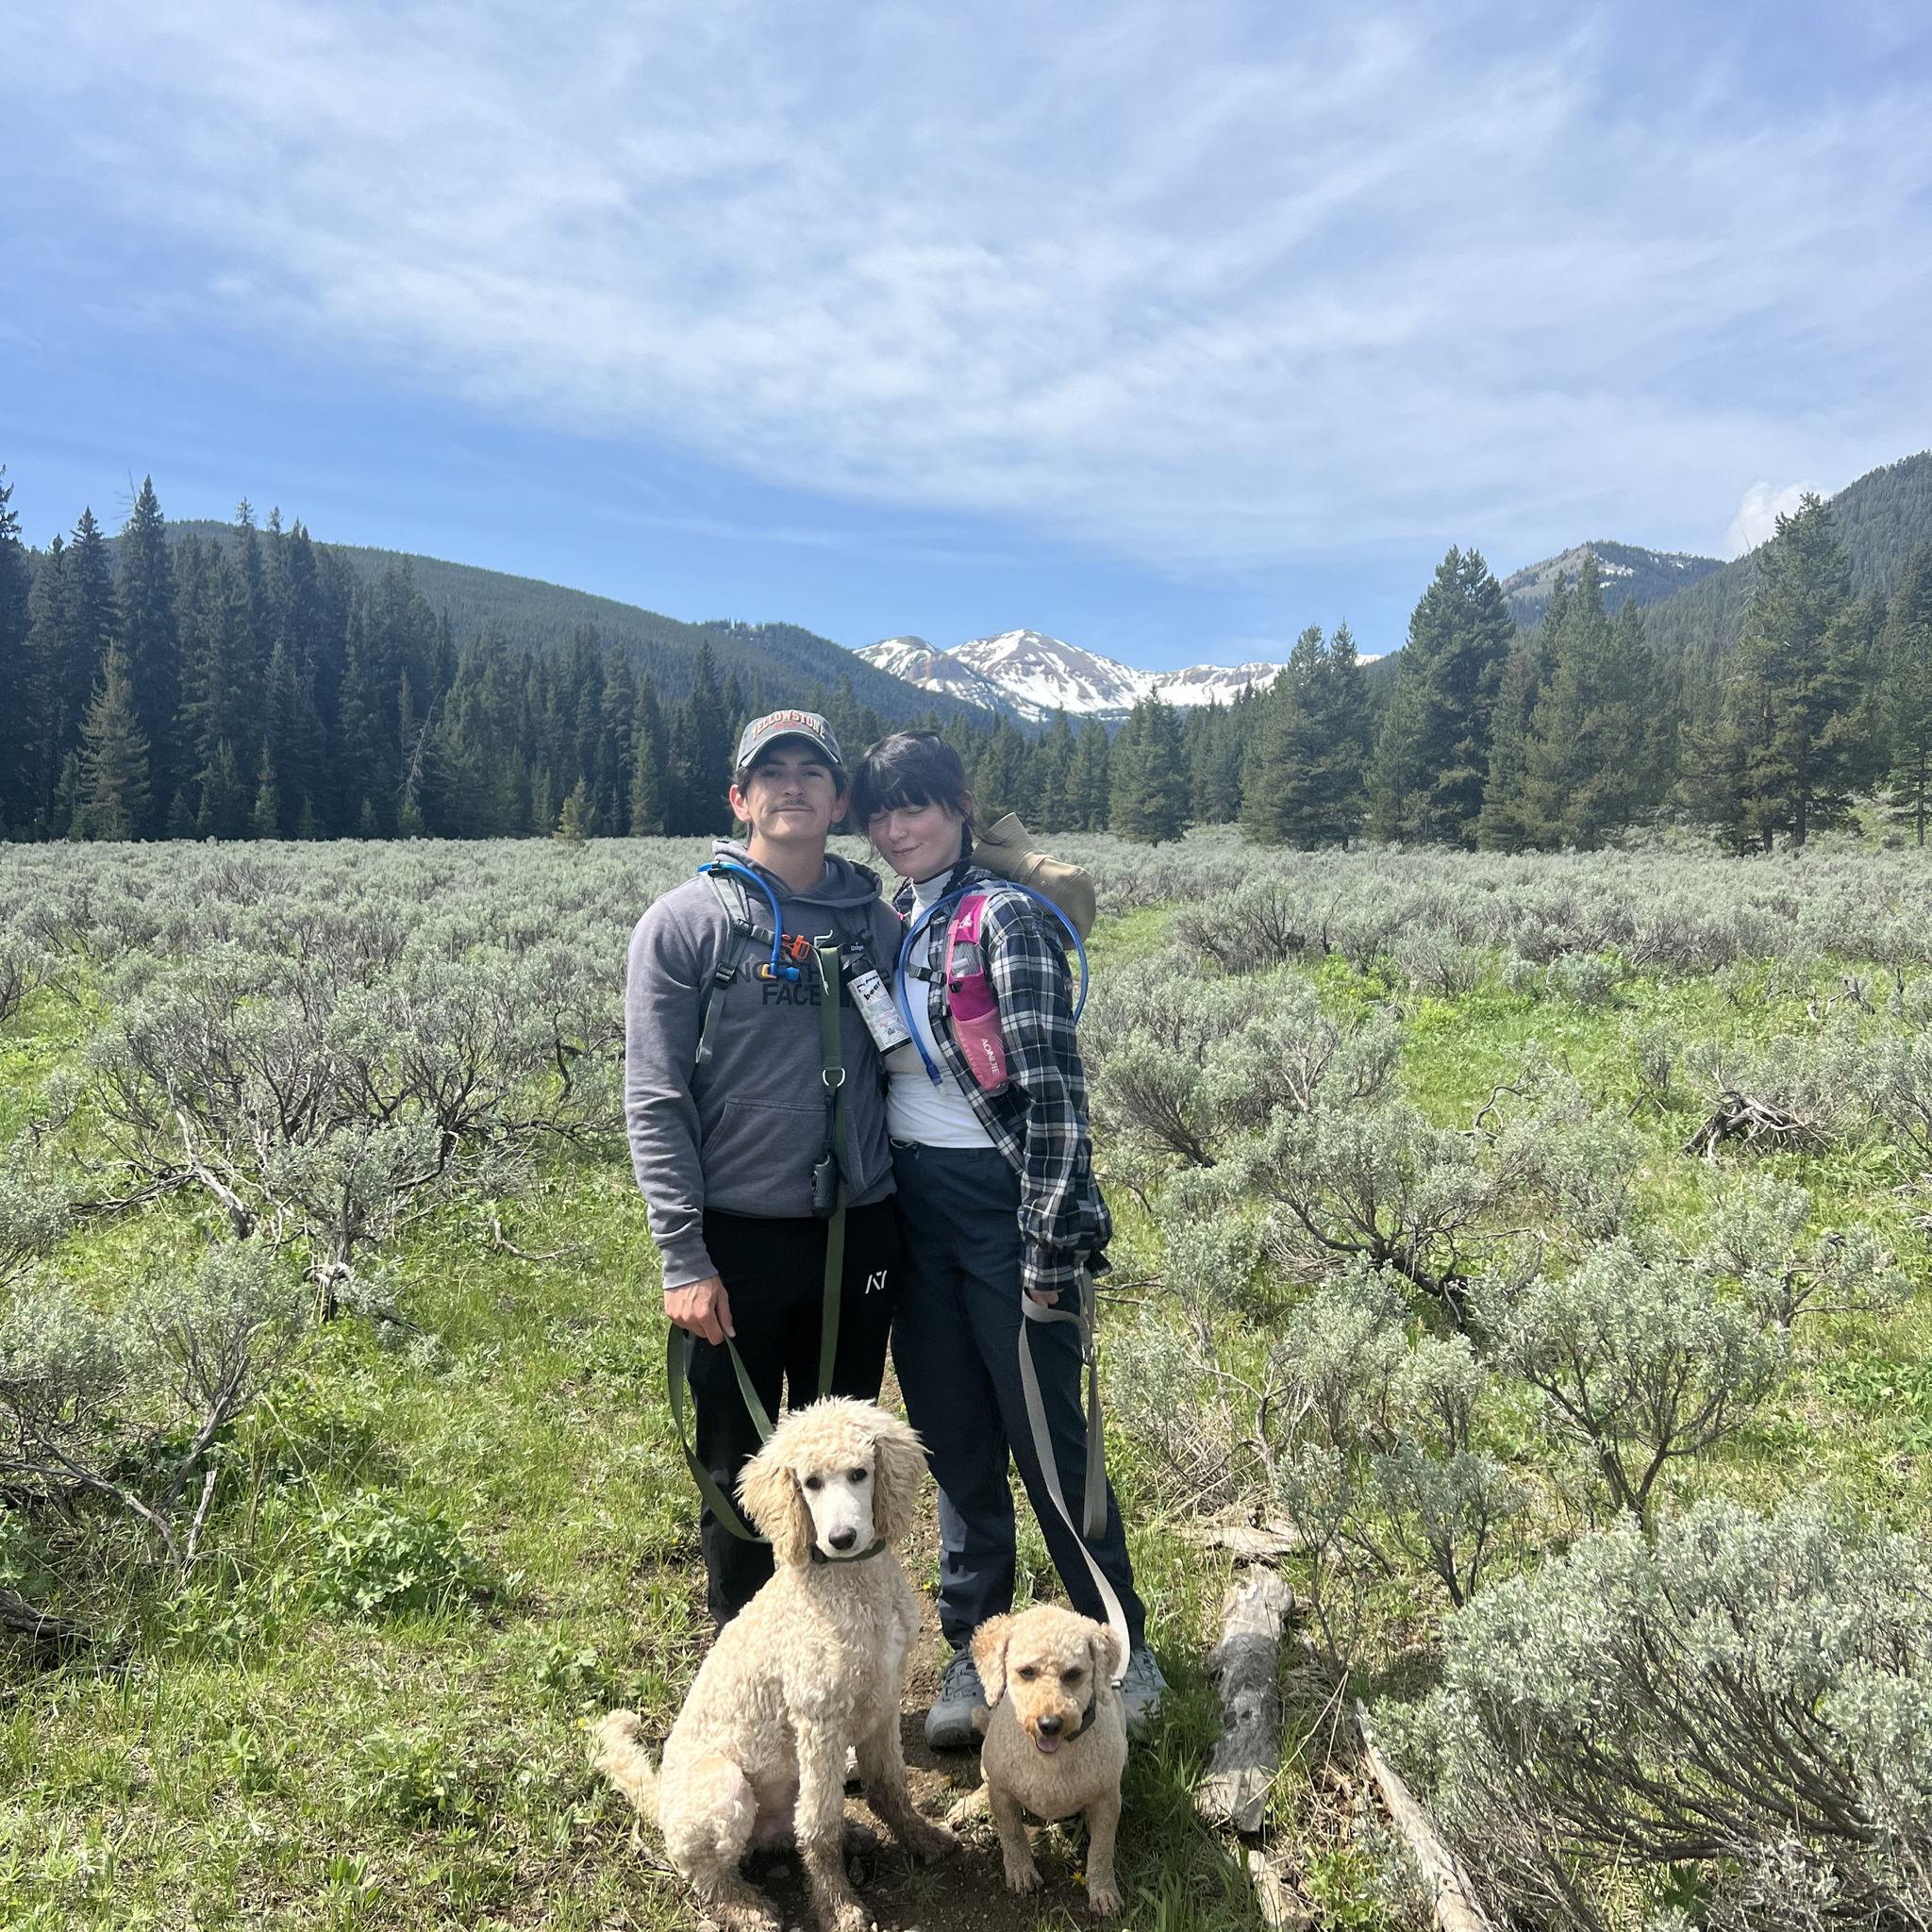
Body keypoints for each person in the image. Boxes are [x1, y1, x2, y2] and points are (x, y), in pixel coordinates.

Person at [850, 730, 1166, 1744]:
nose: (897, 827)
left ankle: (1117, 1645)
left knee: (1048, 1440)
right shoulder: (897, 915)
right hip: (912, 1204)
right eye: (880, 811)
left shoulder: (1004, 918)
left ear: (959, 806)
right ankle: (976, 1647)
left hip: (1003, 1202)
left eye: (915, 805)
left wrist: (1046, 1245)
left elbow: (1056, 1099)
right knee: (952, 1436)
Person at [625, 709, 907, 1630]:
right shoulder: (685, 924)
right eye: (770, 772)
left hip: (854, 1233)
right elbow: (656, 1097)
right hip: (734, 1241)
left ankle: (839, 1646)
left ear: (840, 801)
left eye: (811, 771)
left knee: (843, 1462)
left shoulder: (879, 925)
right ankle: (743, 1650)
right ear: (739, 798)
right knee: (739, 1461)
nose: (792, 785)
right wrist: (683, 1256)